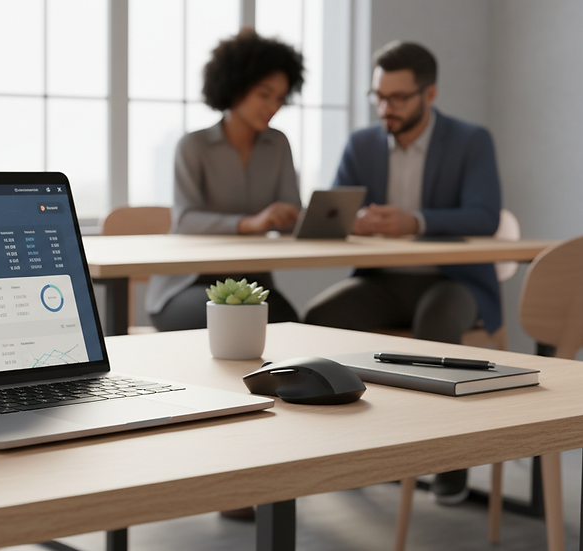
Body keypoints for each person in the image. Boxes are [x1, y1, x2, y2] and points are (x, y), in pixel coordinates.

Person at [304, 41, 502, 504]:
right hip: (383, 280)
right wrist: (352, 221)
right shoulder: (362, 142)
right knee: (316, 318)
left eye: (397, 98)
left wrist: (416, 222)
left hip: (453, 280)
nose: (384, 108)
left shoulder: (471, 140)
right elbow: (337, 209)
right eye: (378, 96)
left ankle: (448, 462)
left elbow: (484, 216)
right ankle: (334, 451)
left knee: (435, 329)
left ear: (429, 95)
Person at [145, 28, 304, 332]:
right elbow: (186, 220)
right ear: (235, 88)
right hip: (186, 284)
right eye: (264, 94)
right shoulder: (194, 146)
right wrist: (250, 223)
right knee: (236, 324)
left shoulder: (278, 144)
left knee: (292, 326)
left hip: (252, 285)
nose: (273, 107)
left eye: (281, 98)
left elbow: (289, 213)